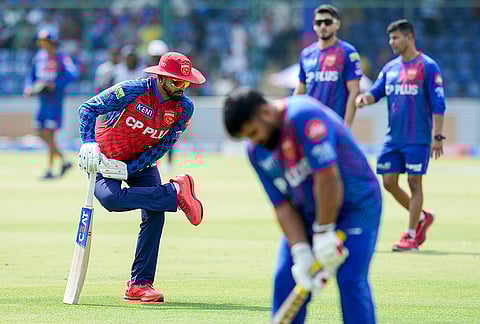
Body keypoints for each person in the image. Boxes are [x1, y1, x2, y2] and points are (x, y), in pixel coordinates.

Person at [223, 89, 382, 324]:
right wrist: (300, 250)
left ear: (265, 111)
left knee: (350, 278)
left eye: (254, 132)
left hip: (357, 207)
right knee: (286, 278)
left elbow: (327, 176)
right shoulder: (255, 151)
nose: (255, 141)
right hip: (308, 212)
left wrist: (324, 231)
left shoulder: (303, 115)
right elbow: (281, 205)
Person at [77, 52, 206, 302]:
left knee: (155, 213)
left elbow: (164, 145)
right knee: (111, 201)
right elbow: (88, 109)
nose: (183, 88)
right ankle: (175, 192)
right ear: (161, 78)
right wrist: (88, 144)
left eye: (186, 82)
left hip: (141, 163)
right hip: (105, 157)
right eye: (177, 82)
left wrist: (131, 167)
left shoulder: (184, 108)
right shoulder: (131, 91)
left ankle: (140, 284)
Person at [355, 19, 445, 252]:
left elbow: (438, 103)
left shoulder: (428, 66)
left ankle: (412, 235)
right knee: (388, 182)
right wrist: (365, 99)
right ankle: (423, 217)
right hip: (393, 138)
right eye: (390, 38)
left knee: (414, 183)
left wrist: (437, 136)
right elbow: (377, 92)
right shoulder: (390, 68)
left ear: (409, 37)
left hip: (417, 137)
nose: (391, 42)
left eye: (395, 38)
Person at [294, 4, 362, 128]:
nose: (323, 26)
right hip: (311, 124)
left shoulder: (347, 52)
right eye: (318, 22)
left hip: (335, 124)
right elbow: (300, 90)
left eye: (327, 22)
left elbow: (354, 91)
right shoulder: (306, 54)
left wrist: (346, 126)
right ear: (314, 26)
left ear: (337, 24)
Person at [24, 28, 79, 179]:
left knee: (49, 133)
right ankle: (64, 160)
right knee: (39, 131)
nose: (43, 45)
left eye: (45, 42)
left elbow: (73, 74)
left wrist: (55, 84)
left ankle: (49, 168)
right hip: (42, 99)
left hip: (54, 100)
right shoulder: (39, 57)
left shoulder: (61, 57)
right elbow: (31, 75)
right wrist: (29, 87)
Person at [145, 39, 174, 172]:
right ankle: (151, 162)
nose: (155, 59)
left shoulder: (171, 73)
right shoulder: (145, 71)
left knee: (169, 135)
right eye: (154, 57)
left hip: (166, 109)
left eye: (158, 57)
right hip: (149, 110)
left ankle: (168, 162)